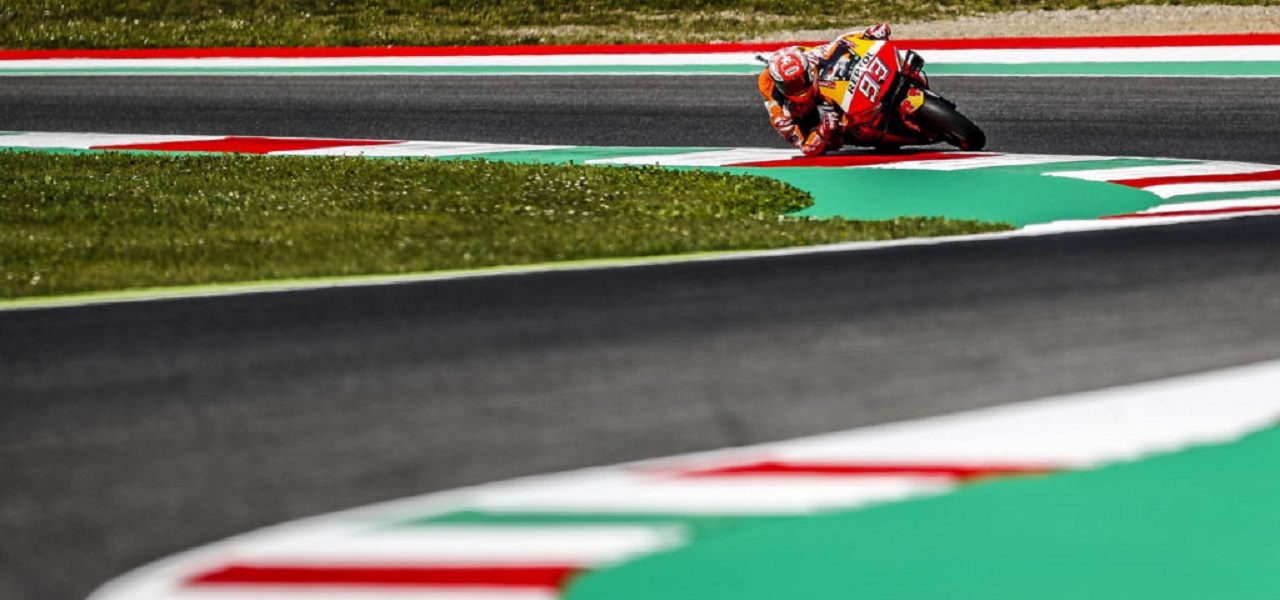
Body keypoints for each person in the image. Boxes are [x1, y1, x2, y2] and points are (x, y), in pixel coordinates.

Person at [758, 23, 893, 157]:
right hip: (802, 113)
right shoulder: (780, 116)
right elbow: (807, 149)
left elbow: (840, 43)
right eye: (792, 87)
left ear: (807, 72)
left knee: (841, 62)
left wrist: (867, 33)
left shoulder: (810, 58)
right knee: (835, 142)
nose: (799, 90)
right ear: (780, 87)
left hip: (810, 71)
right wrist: (823, 131)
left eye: (801, 81)